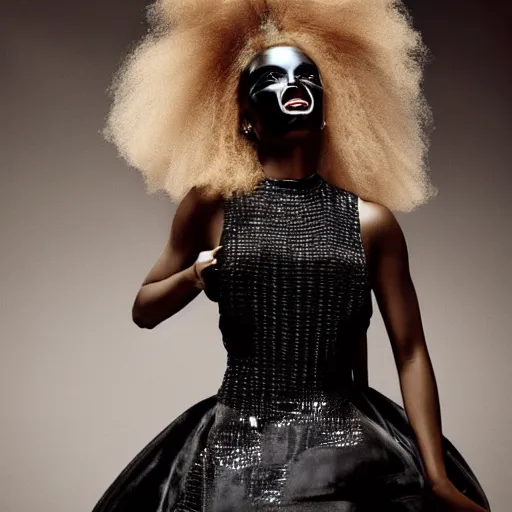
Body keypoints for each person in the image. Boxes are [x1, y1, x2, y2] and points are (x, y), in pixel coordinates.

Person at [92, 1, 490, 510]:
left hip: (345, 444)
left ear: (327, 107)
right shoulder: (212, 205)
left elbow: (409, 350)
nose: (294, 84)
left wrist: (436, 479)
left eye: (306, 75)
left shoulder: (371, 223)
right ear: (246, 120)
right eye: (271, 78)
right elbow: (143, 309)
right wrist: (194, 276)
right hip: (239, 441)